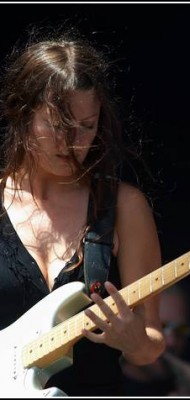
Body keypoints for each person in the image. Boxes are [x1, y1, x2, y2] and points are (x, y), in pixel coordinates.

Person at [0, 25, 165, 396]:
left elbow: (151, 344)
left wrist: (133, 339)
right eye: (57, 126)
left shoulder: (124, 207)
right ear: (21, 113)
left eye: (87, 126)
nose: (72, 142)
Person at [121, 284, 190, 396]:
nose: (171, 342)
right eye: (161, 327)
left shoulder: (189, 386)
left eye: (180, 330)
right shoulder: (104, 384)